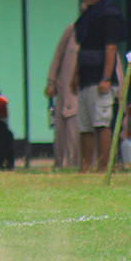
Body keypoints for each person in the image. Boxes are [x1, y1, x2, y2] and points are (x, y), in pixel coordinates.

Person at [70, 0, 125, 173]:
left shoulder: (109, 15)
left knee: (101, 124)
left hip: (101, 78)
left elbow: (111, 49)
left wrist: (106, 78)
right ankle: (84, 167)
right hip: (85, 77)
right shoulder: (87, 16)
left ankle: (103, 167)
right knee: (84, 126)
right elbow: (82, 48)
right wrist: (75, 75)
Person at [44, 18, 81, 169]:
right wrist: (51, 82)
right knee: (65, 127)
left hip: (89, 90)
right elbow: (58, 56)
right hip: (67, 91)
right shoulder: (72, 30)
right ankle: (65, 164)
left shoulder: (104, 30)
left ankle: (86, 164)